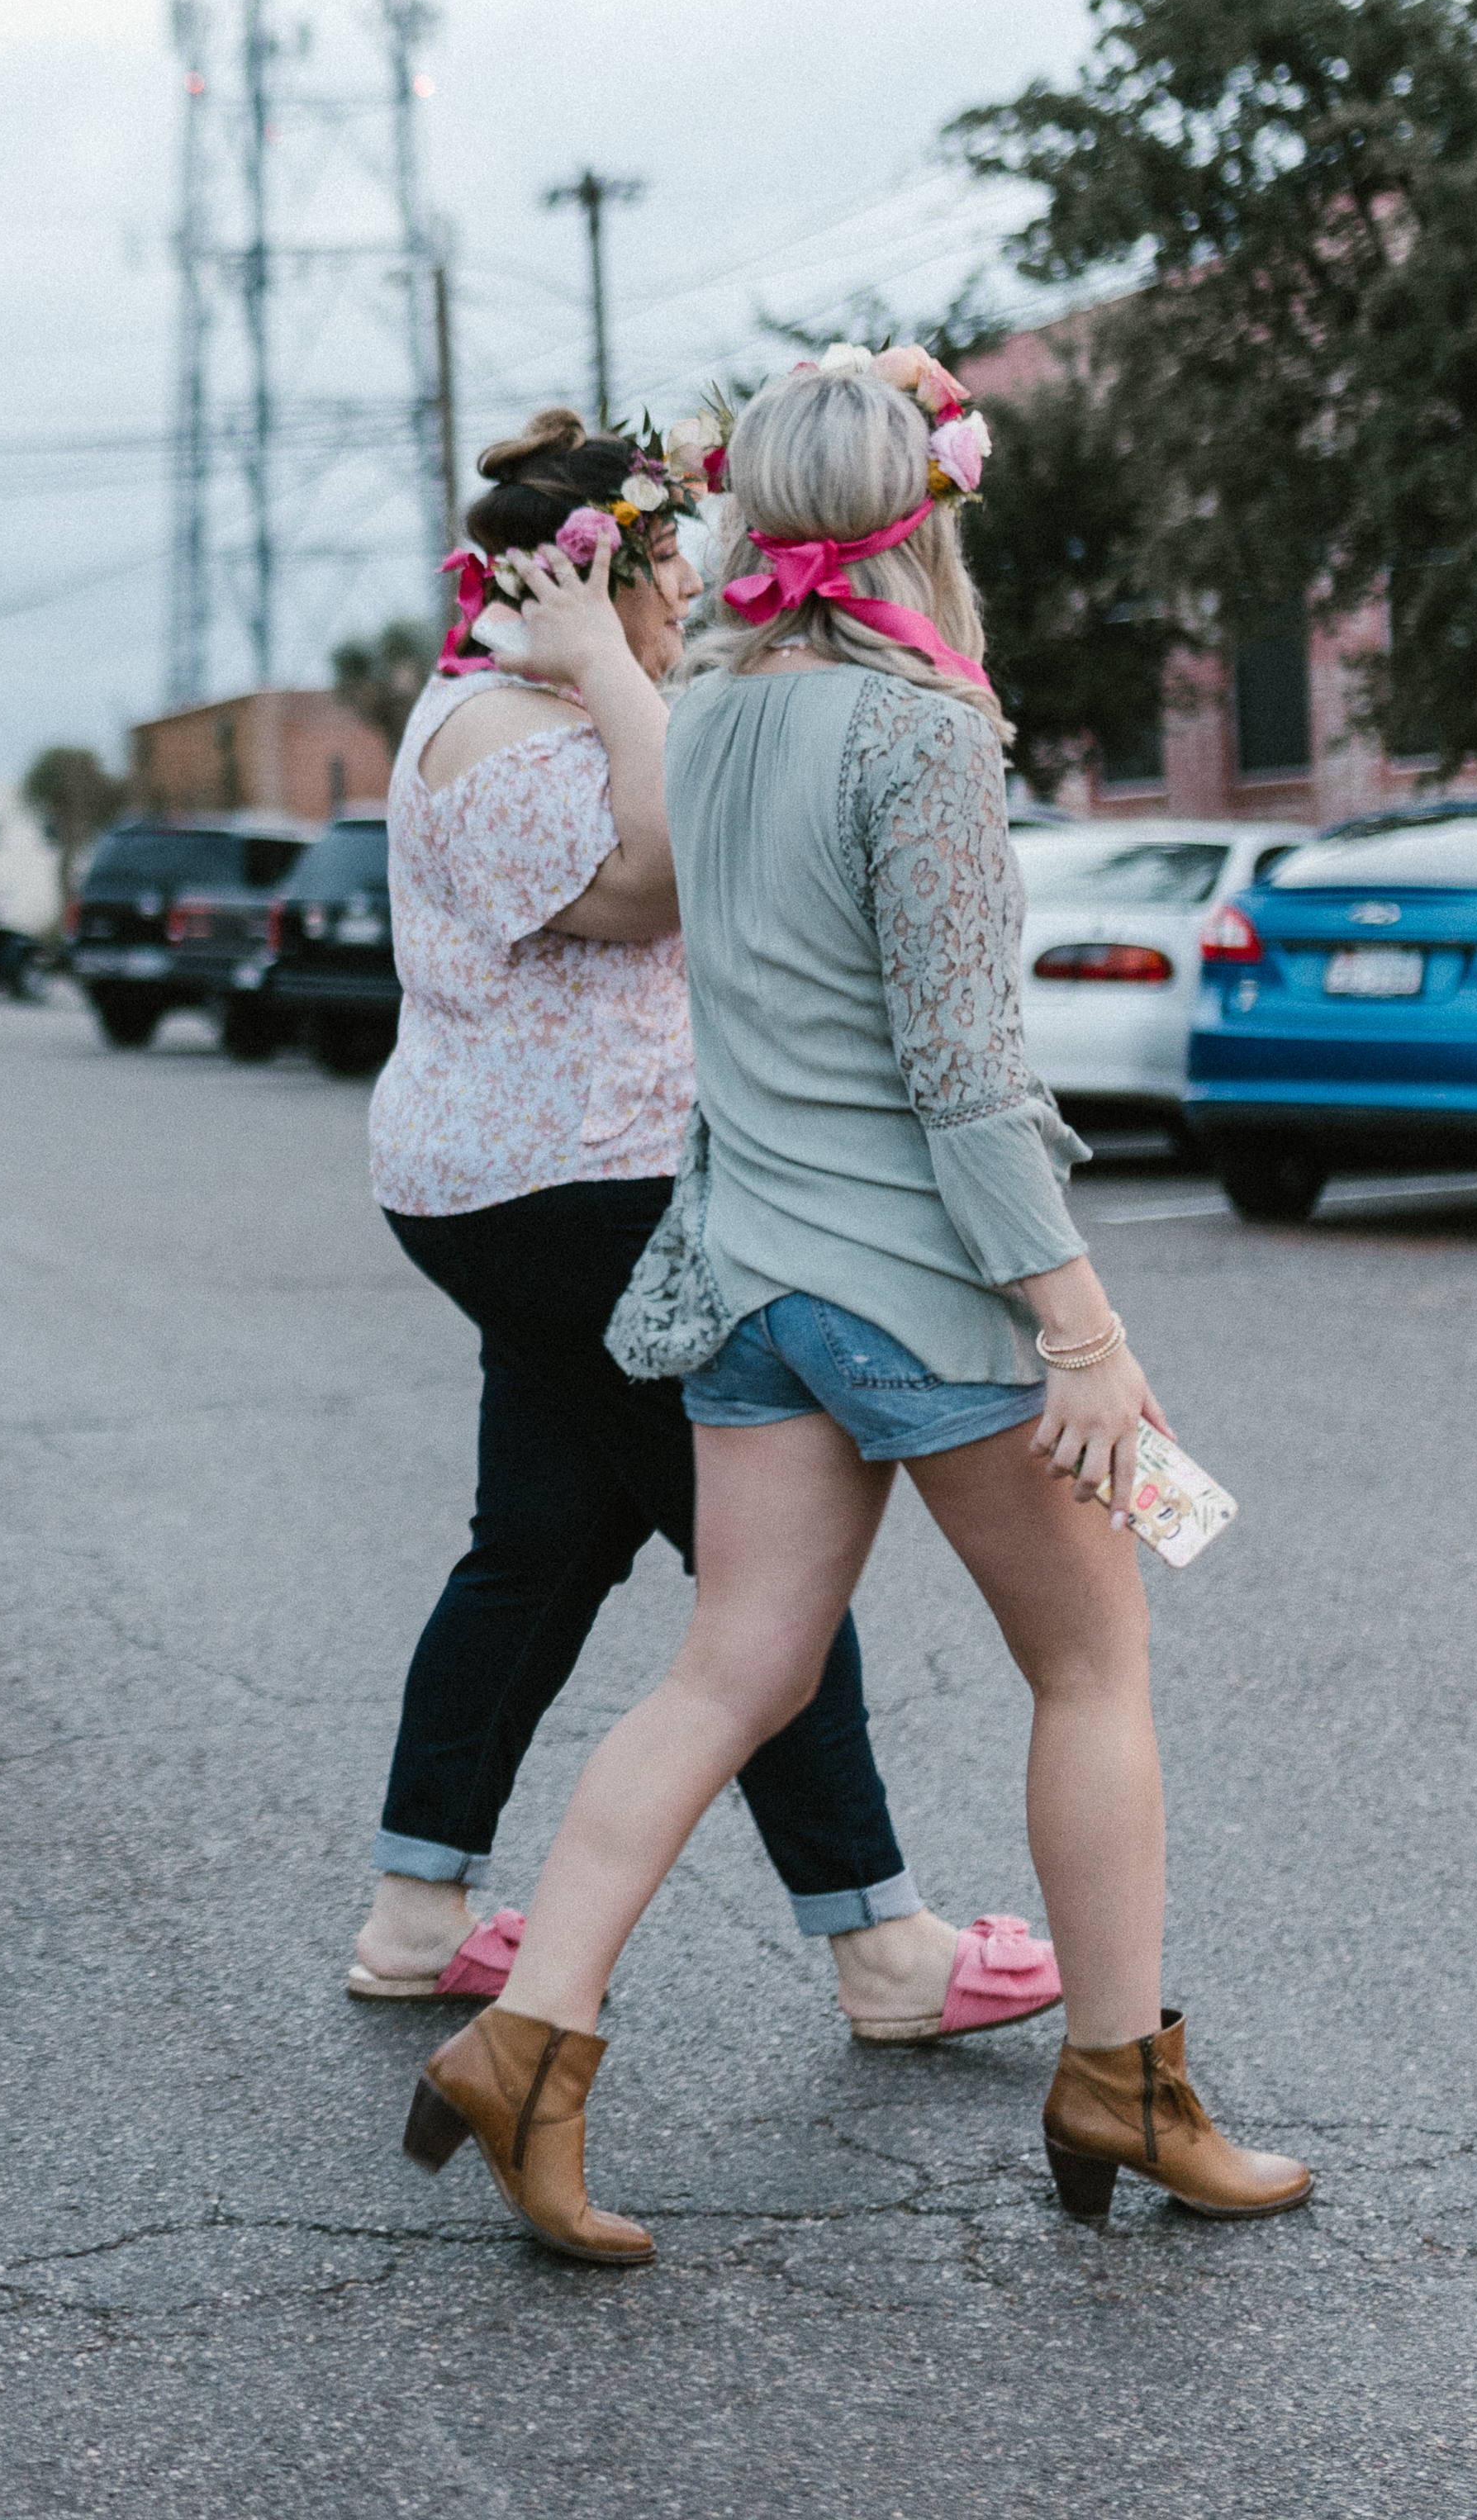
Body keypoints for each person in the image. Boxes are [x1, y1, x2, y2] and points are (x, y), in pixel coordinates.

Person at [410, 349, 1307, 2265]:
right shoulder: (923, 732)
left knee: (726, 1668)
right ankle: (1121, 2084)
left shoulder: (710, 709)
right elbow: (965, 1085)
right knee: (1090, 1667)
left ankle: (523, 2040)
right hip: (918, 1292)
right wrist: (1083, 1332)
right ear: (932, 517)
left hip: (740, 1278)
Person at [349, 412, 1053, 2053]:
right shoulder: (499, 738)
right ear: (594, 576)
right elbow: (668, 873)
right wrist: (604, 662)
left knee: (542, 1536)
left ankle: (413, 1904)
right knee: (765, 1577)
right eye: (672, 569)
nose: (705, 591)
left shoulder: (530, 709)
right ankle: (878, 1941)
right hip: (575, 1192)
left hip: (550, 1184)